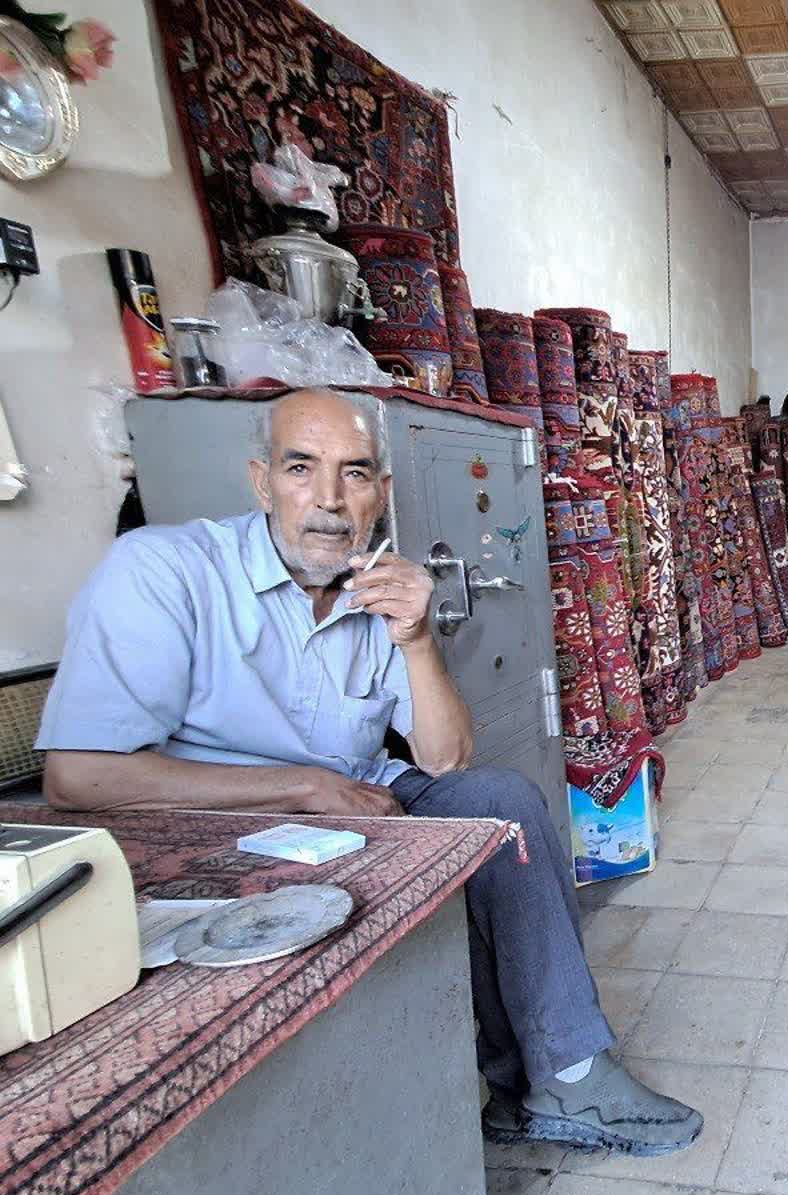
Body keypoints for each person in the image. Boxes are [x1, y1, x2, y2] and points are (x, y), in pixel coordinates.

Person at [35, 388, 701, 1156]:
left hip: (362, 792)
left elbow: (445, 759)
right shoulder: (165, 570)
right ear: (261, 482)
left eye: (353, 473)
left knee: (502, 805)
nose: (328, 499)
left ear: (380, 494)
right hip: (225, 815)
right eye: (300, 468)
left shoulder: (376, 587)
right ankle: (531, 1082)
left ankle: (561, 1079)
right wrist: (299, 787)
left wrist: (416, 639)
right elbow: (76, 778)